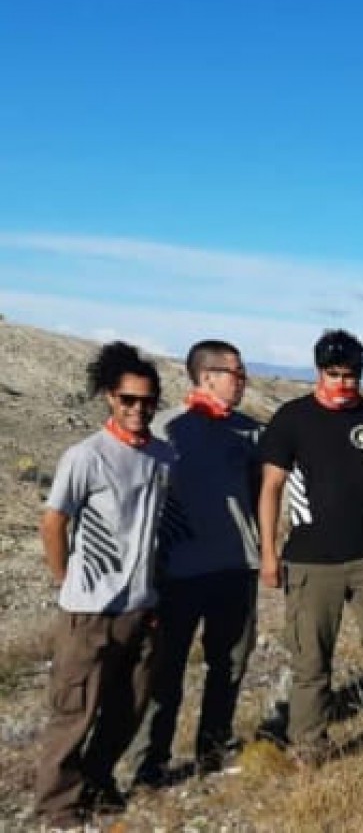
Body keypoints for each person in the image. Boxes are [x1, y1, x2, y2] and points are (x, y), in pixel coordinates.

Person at [257, 329, 363, 764]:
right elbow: (271, 487)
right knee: (311, 659)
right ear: (319, 372)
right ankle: (309, 744)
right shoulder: (293, 418)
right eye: (334, 374)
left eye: (351, 375)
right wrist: (268, 554)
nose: (343, 383)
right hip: (311, 560)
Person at [35, 342, 176, 828]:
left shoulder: (162, 456)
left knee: (127, 706)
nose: (138, 409)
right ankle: (57, 804)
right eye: (128, 399)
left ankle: (98, 782)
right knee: (75, 710)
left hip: (141, 606)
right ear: (110, 398)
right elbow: (54, 521)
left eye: (147, 401)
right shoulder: (86, 456)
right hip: (90, 610)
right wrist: (66, 581)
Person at [129, 340, 261, 787]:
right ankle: (150, 764)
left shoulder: (249, 433)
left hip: (236, 567)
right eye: (236, 374)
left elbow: (262, 492)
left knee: (230, 665)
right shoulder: (164, 430)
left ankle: (213, 749)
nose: (242, 382)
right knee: (165, 672)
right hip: (177, 573)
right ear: (207, 377)